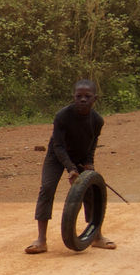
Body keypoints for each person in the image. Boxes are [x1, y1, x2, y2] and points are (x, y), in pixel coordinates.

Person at [25, 79, 115, 254]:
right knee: (47, 188)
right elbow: (58, 146)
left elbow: (92, 142)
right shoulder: (62, 116)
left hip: (80, 156)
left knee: (91, 191)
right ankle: (41, 240)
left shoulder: (97, 120)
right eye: (78, 96)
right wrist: (71, 168)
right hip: (56, 156)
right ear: (73, 97)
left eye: (87, 96)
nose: (82, 99)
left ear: (94, 98)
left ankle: (96, 237)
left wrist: (89, 163)